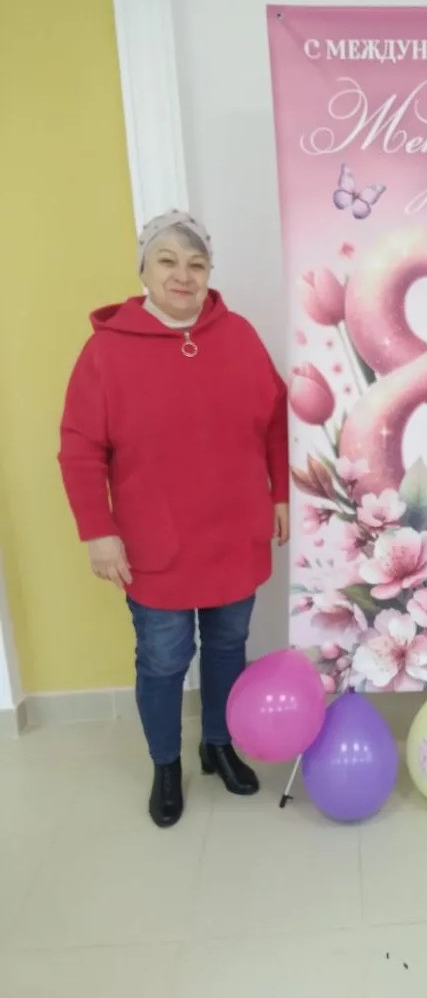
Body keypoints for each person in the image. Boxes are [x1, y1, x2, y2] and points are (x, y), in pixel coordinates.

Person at [58, 211, 289, 828]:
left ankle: (218, 744)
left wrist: (280, 495)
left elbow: (276, 418)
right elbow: (80, 448)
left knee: (228, 644)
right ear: (145, 269)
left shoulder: (238, 334)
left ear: (209, 272)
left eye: (196, 263)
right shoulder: (106, 350)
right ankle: (166, 762)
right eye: (168, 261)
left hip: (235, 532)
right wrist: (98, 530)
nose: (182, 275)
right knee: (163, 658)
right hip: (153, 543)